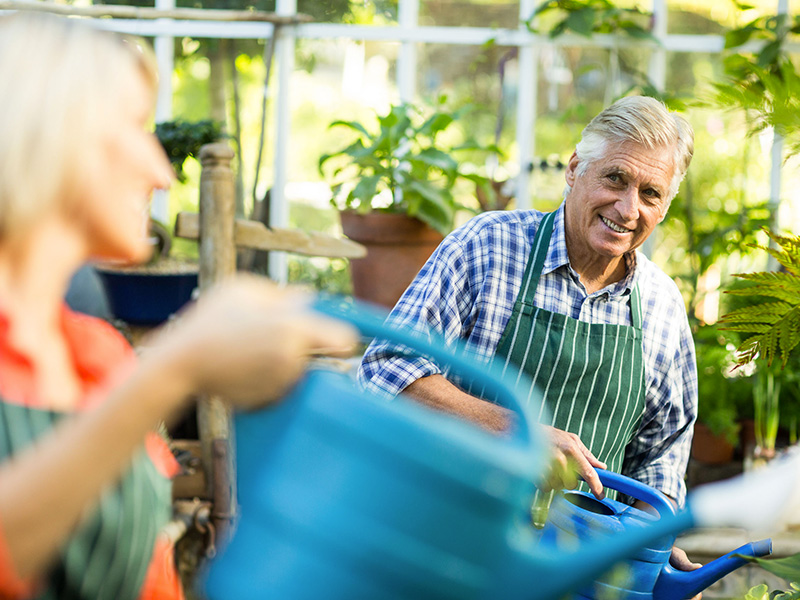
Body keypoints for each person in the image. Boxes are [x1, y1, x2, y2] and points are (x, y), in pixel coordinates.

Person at [0, 13, 356, 600]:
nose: (160, 171)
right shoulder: (143, 376)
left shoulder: (97, 354)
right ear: (45, 132)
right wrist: (176, 366)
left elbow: (150, 571)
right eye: (135, 128)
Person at [359, 96, 700, 570]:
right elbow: (386, 369)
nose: (627, 209)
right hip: (446, 546)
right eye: (615, 179)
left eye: (650, 194)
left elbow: (661, 458)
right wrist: (518, 430)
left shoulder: (662, 306)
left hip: (573, 571)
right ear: (576, 169)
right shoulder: (487, 247)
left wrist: (650, 551)